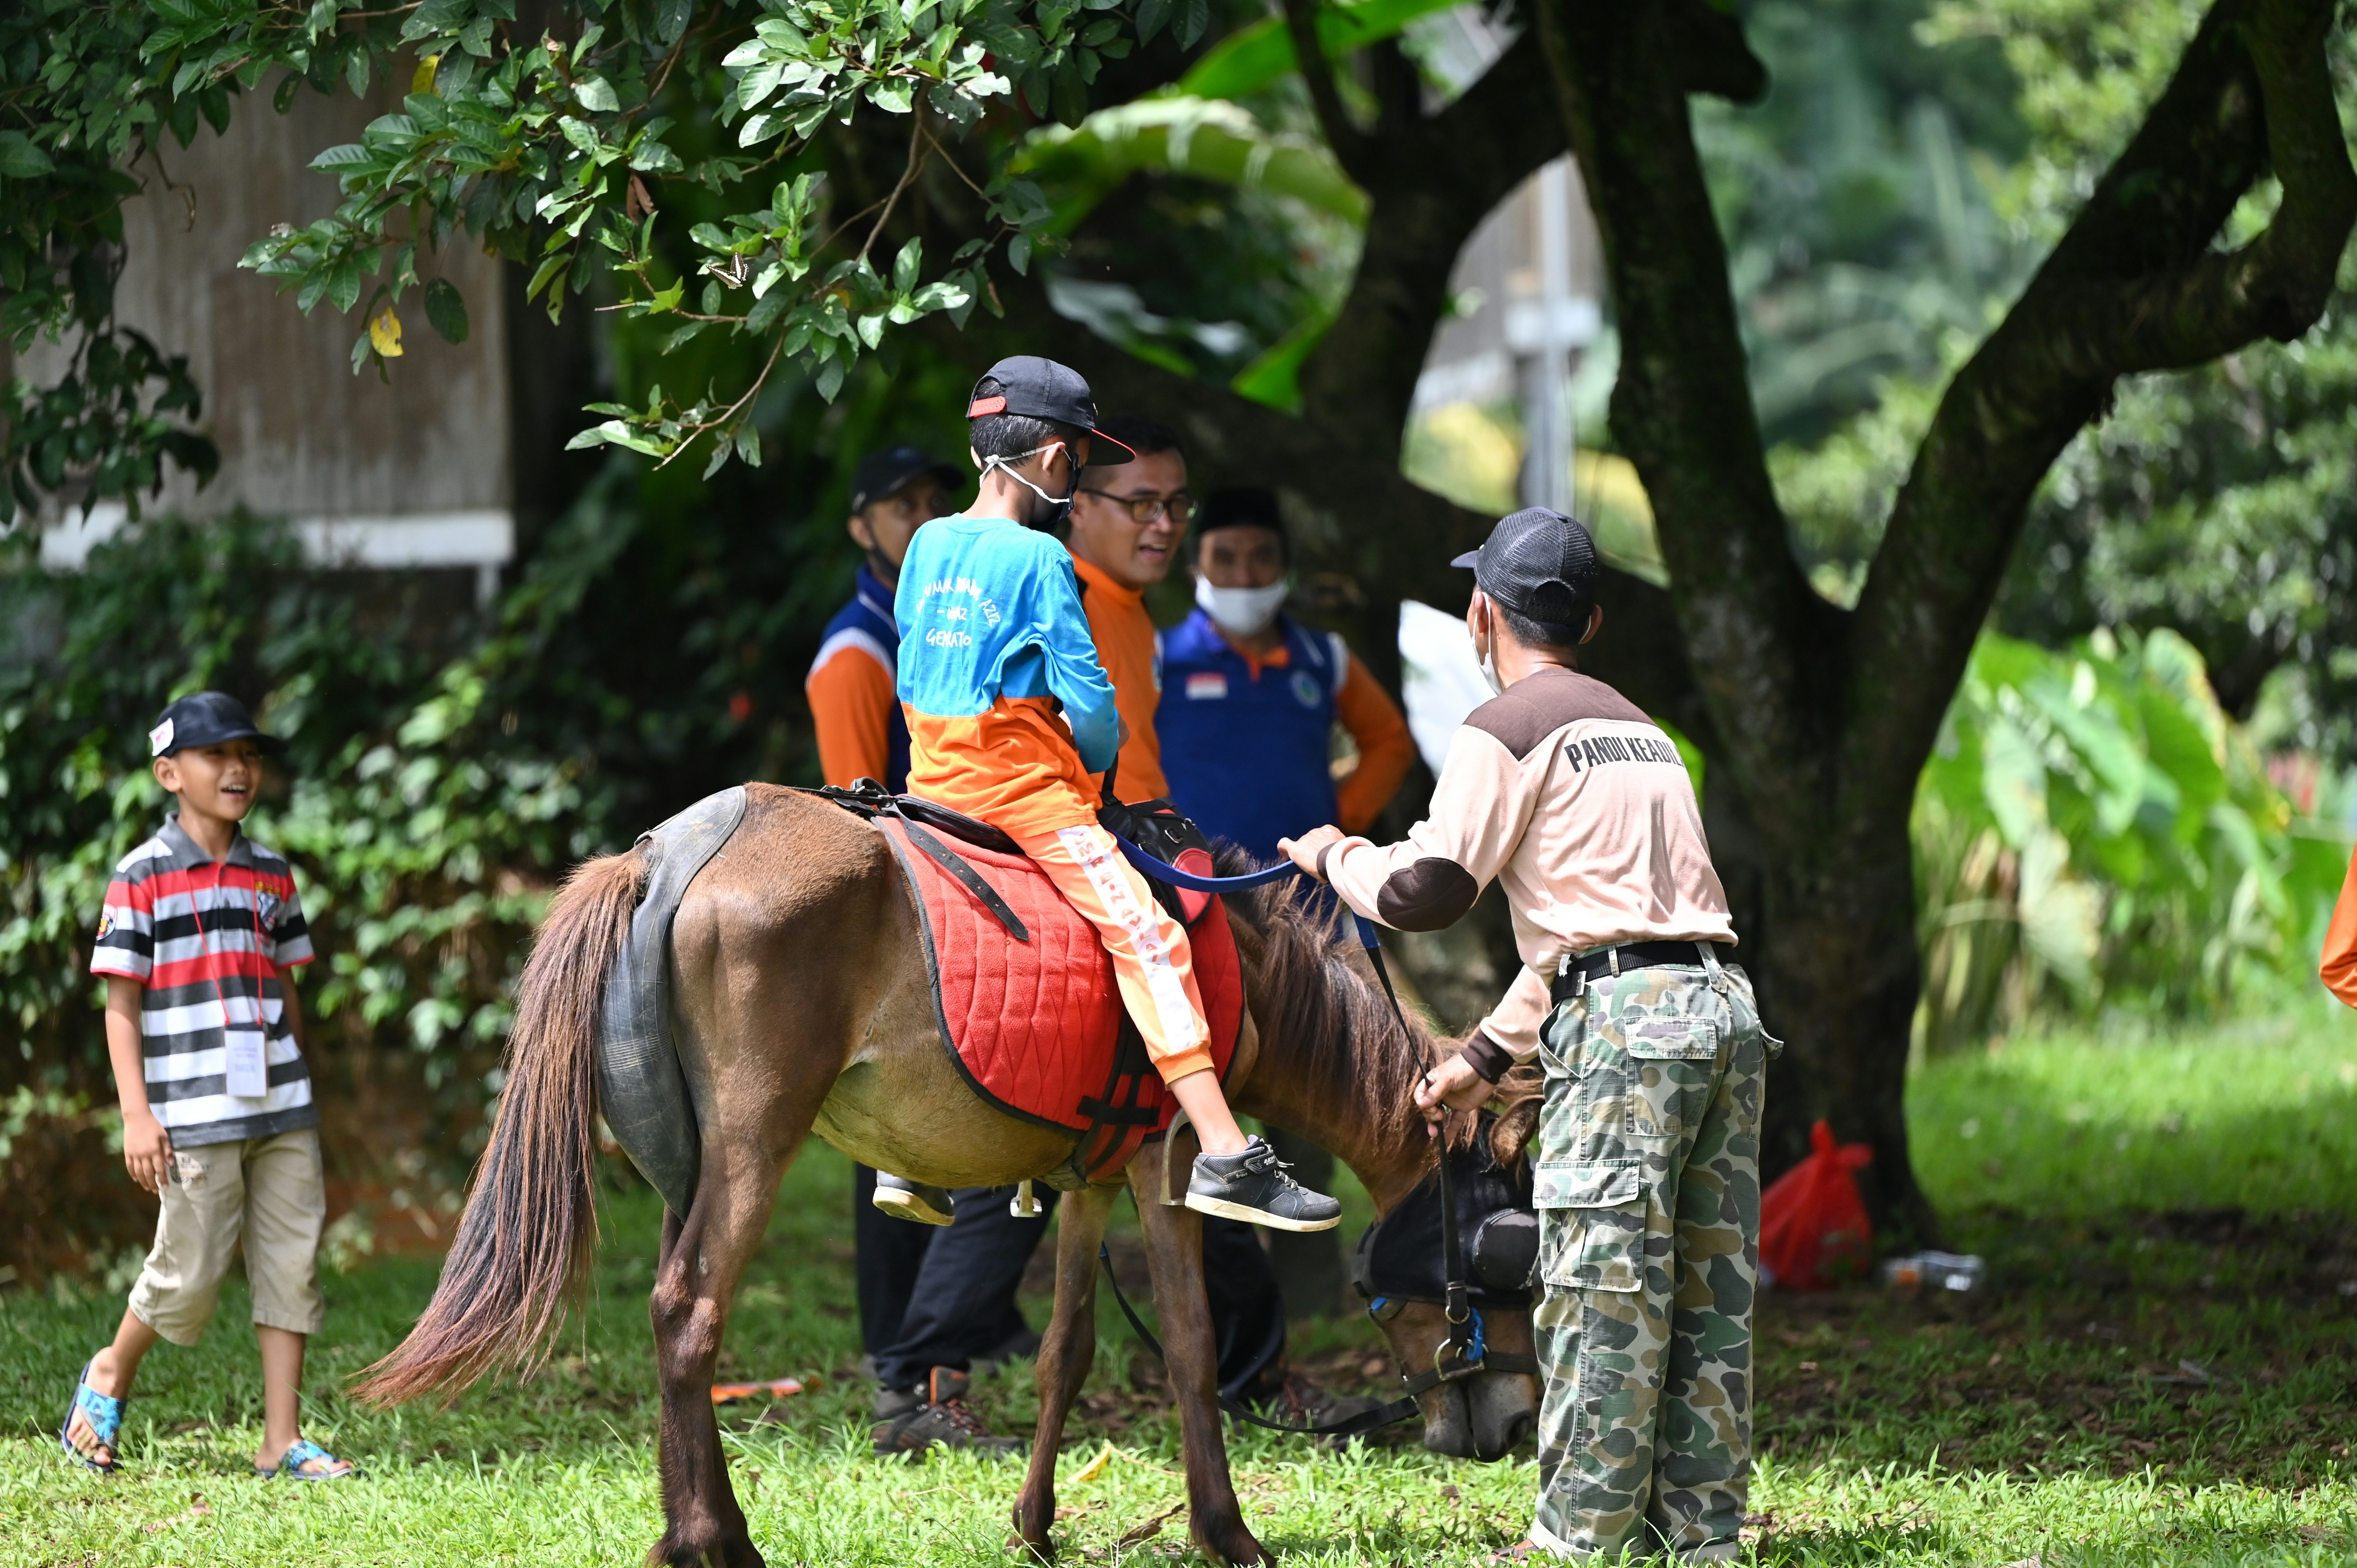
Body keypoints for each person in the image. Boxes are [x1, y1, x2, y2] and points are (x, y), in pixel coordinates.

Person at [1277, 509, 1762, 1564]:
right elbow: (1607, 935)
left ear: (1481, 613)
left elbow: (1423, 892)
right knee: (1706, 1291)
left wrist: (1331, 855)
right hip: (1722, 1010)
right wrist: (1479, 1061)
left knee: (1597, 1286)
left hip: (1631, 1030)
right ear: (1588, 619)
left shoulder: (1506, 729)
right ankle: (1703, 1537)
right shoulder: (1644, 733)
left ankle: (1578, 1541)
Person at [65, 692, 356, 1481]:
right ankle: (110, 1370)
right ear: (169, 772)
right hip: (191, 1112)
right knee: (188, 1267)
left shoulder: (272, 873)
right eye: (216, 755)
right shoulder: (141, 875)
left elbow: (286, 985)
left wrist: (297, 1069)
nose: (238, 769)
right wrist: (137, 1112)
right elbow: (120, 1005)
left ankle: (281, 1439)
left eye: (250, 755)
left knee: (290, 1262)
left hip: (282, 1106)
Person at [1153, 483, 1418, 1317]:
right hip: (1196, 915)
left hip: (1309, 919)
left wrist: (1343, 824)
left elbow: (1390, 740)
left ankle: (1310, 1299)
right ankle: (1210, 1306)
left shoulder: (1322, 660)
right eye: (1225, 556)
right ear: (1196, 563)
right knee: (1200, 1104)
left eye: (1260, 557)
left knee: (1317, 1105)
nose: (1243, 572)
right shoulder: (1159, 656)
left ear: (1284, 566)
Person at [806, 443, 961, 793]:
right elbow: (859, 815)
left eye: (937, 502)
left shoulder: (962, 612)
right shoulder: (855, 652)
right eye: (905, 505)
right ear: (863, 531)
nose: (929, 519)